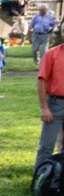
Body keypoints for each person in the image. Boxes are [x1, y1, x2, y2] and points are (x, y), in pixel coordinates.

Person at [34, 26, 64, 171]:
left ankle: (59, 179)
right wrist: (44, 107)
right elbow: (41, 81)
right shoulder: (52, 54)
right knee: (47, 145)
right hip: (56, 104)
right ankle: (40, 178)